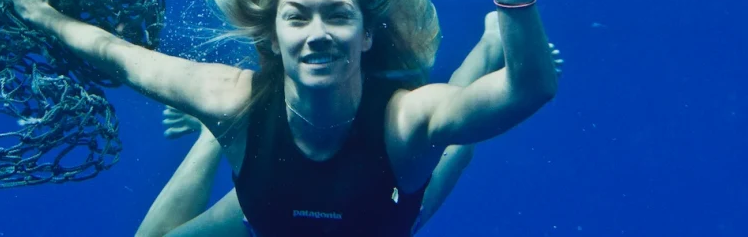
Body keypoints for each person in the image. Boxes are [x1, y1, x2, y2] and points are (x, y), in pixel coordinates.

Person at [9, 0, 559, 236]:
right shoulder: (228, 97)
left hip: (382, 221)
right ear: (272, 37)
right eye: (297, 16)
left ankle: (491, 44)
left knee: (450, 138)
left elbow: (529, 88)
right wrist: (41, 13)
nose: (317, 32)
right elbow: (117, 54)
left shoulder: (403, 120)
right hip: (264, 213)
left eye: (339, 15)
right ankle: (213, 135)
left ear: (367, 35)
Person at [136, 15, 564, 236]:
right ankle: (491, 42)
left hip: (267, 221)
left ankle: (219, 131)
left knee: (451, 141)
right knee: (455, 145)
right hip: (381, 222)